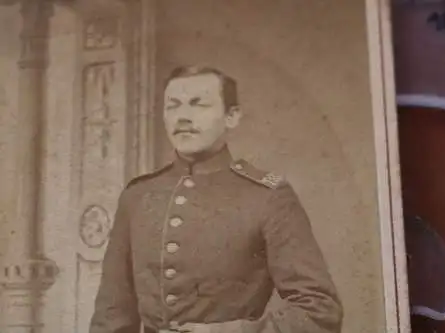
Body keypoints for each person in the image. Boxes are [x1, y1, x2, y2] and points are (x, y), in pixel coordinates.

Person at [89, 65, 343, 333]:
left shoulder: (267, 197)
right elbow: (111, 317)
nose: (183, 117)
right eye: (173, 106)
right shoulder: (139, 197)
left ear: (231, 117)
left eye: (199, 105)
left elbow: (319, 312)